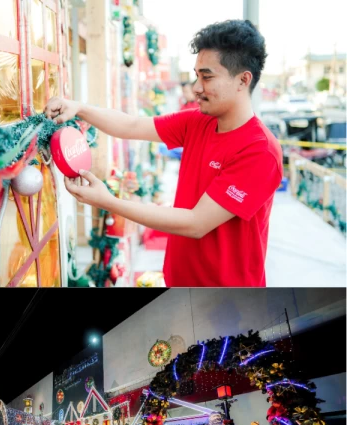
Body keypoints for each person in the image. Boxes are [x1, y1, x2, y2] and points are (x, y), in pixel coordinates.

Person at [47, 20, 280, 287]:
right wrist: (79, 108)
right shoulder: (198, 121)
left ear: (243, 80)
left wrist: (108, 201)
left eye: (207, 77)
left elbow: (196, 223)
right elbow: (131, 125)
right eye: (196, 76)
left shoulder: (260, 151)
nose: (196, 87)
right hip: (178, 281)